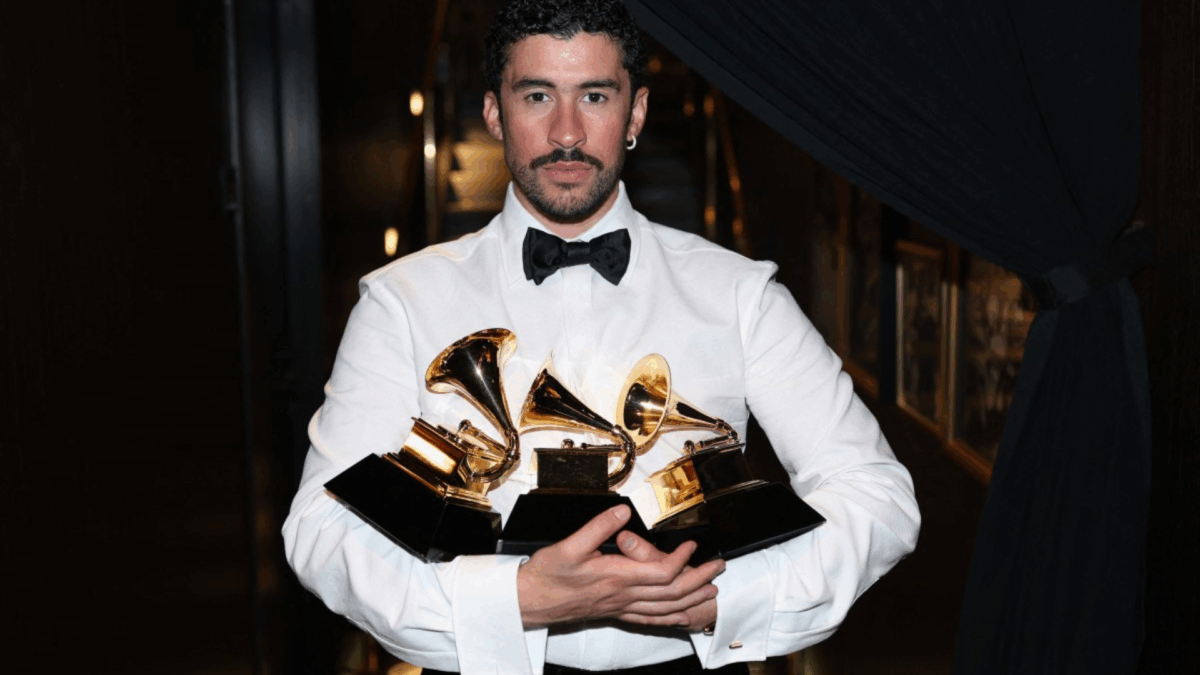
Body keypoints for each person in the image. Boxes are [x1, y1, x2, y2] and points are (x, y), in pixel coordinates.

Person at [282, 1, 920, 674]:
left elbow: (877, 496)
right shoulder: (400, 302)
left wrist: (723, 600)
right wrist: (509, 600)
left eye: (595, 95)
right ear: (494, 113)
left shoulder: (741, 295)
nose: (566, 132)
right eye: (537, 96)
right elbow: (321, 529)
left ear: (636, 113)